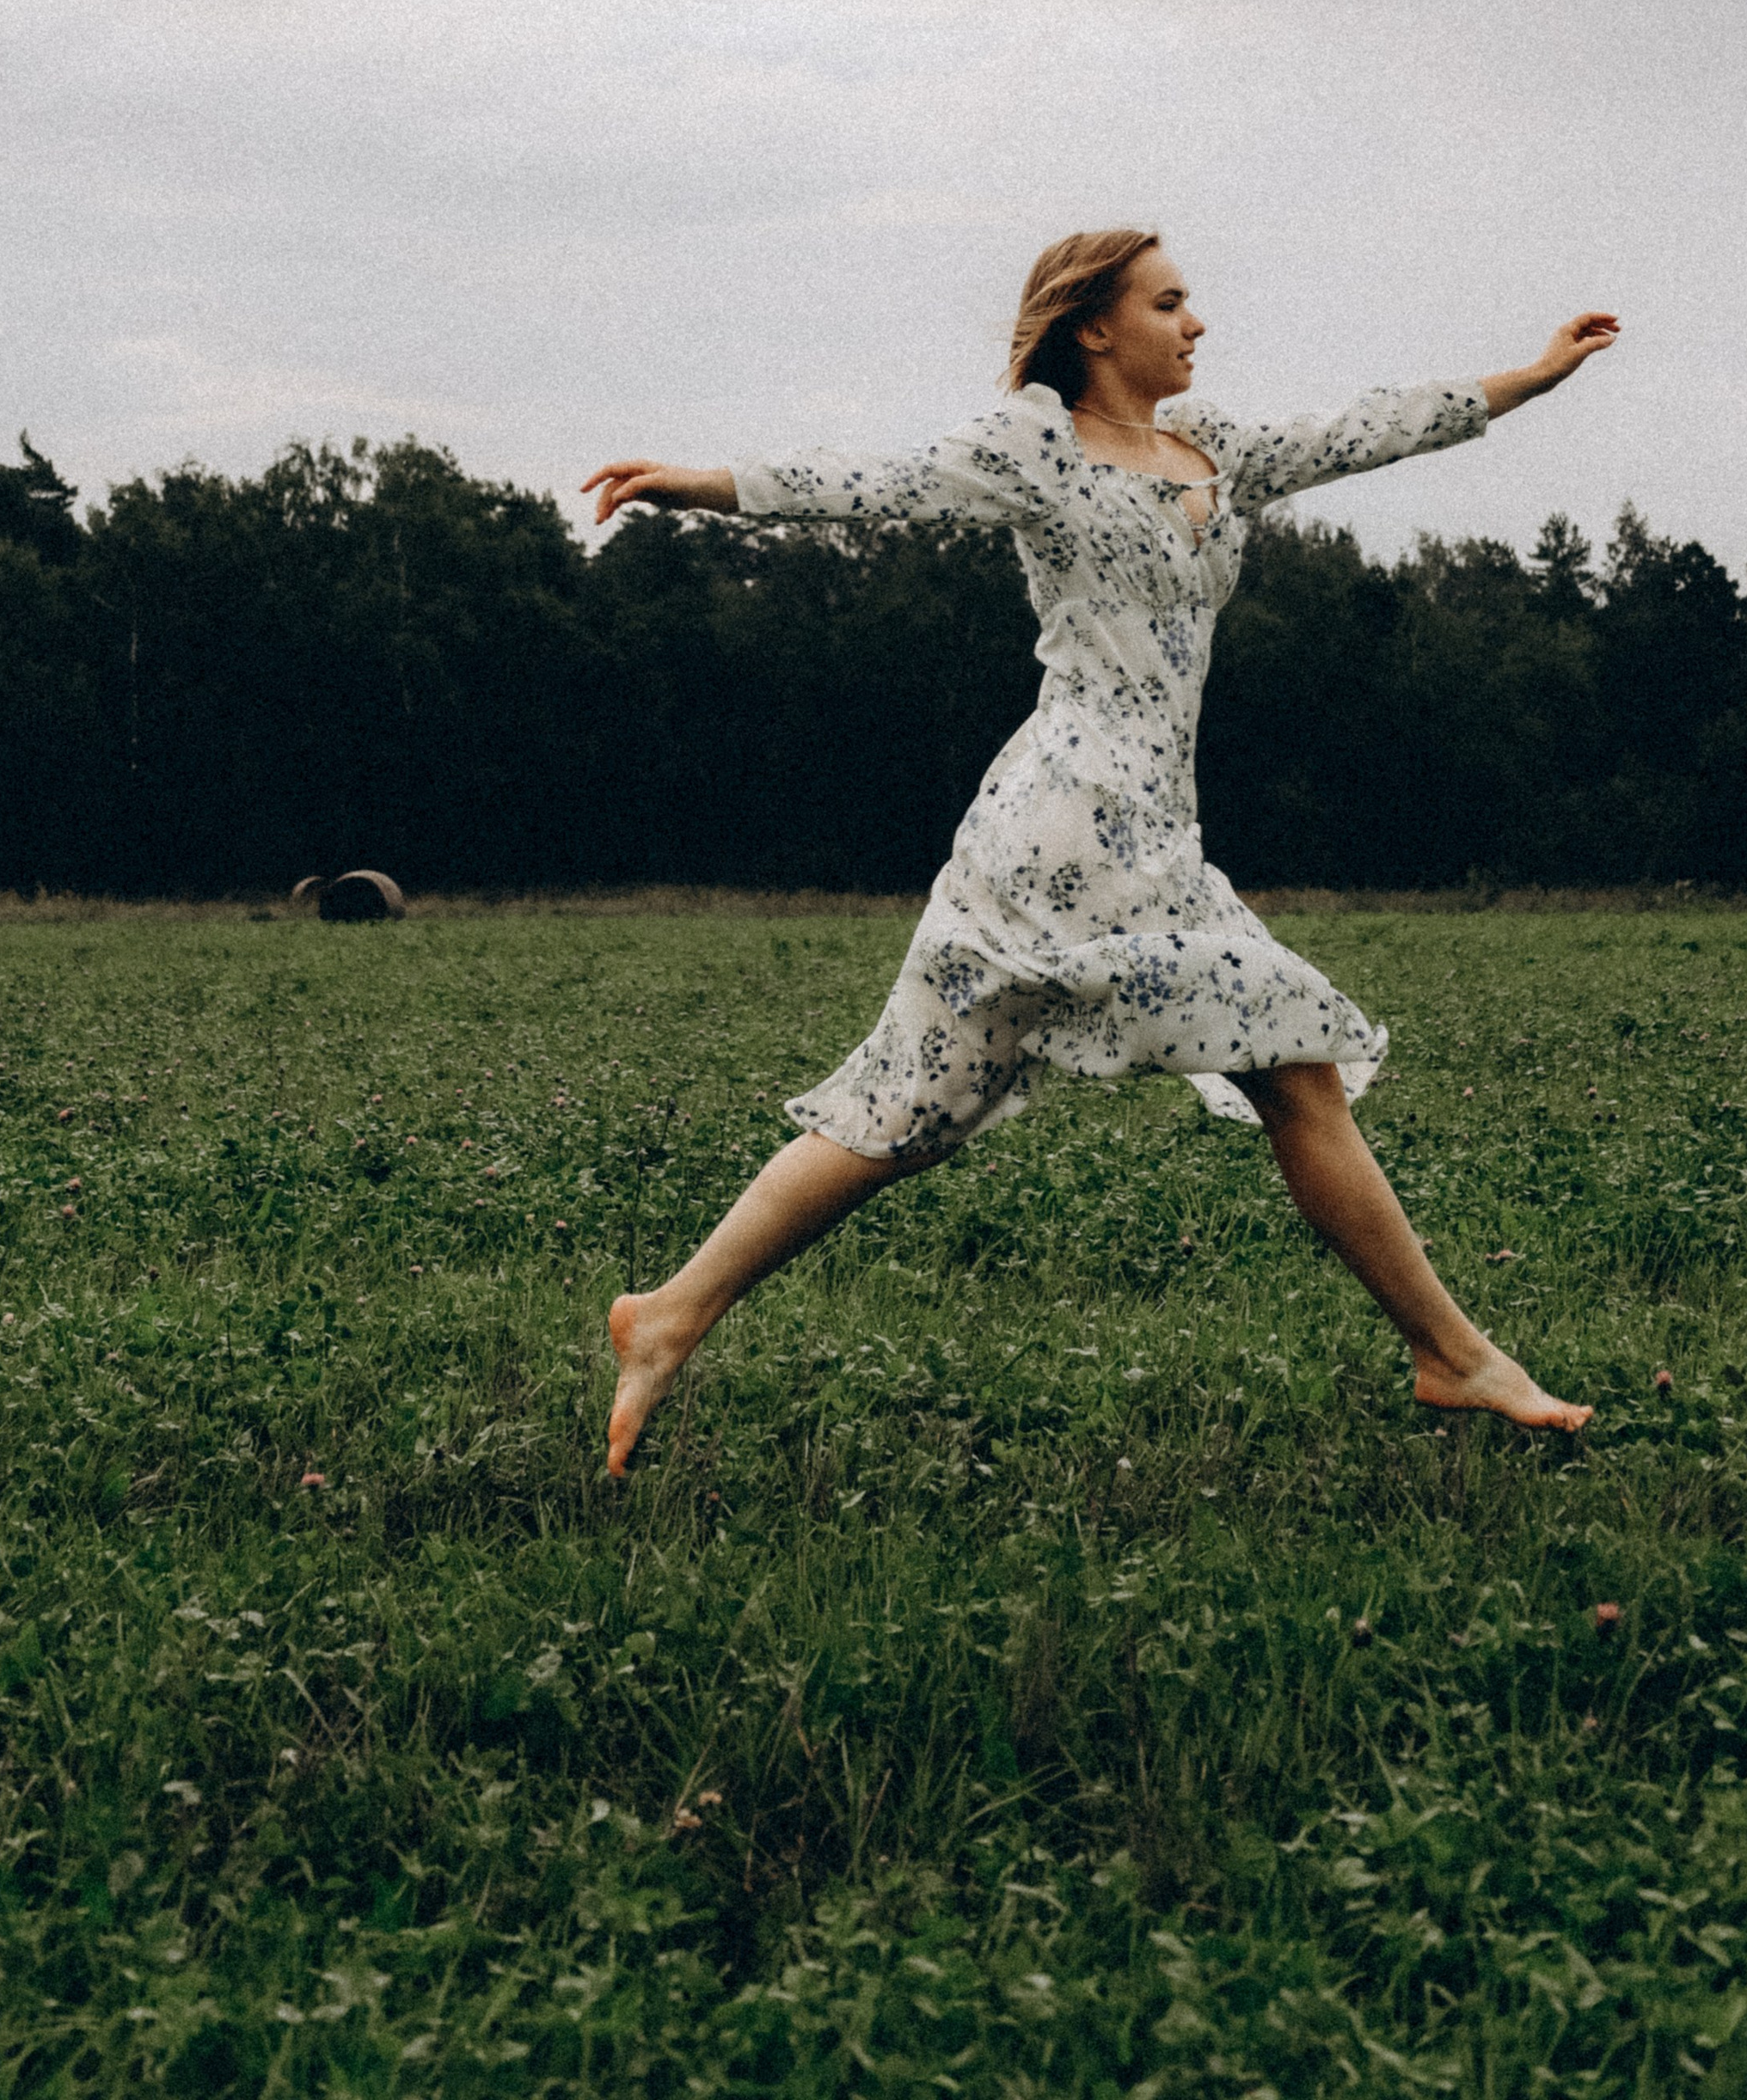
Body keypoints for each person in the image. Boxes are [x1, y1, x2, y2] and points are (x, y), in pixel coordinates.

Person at [585, 232, 1618, 1475]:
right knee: (992, 1097)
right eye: (1170, 303)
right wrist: (698, 486)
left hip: (1153, 833)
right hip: (1061, 832)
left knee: (929, 1107)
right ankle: (1453, 1354)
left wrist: (1530, 376)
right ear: (1094, 327)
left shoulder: (1215, 452)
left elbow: (1365, 428)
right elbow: (875, 481)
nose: (1197, 324)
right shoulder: (1036, 449)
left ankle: (670, 1313)